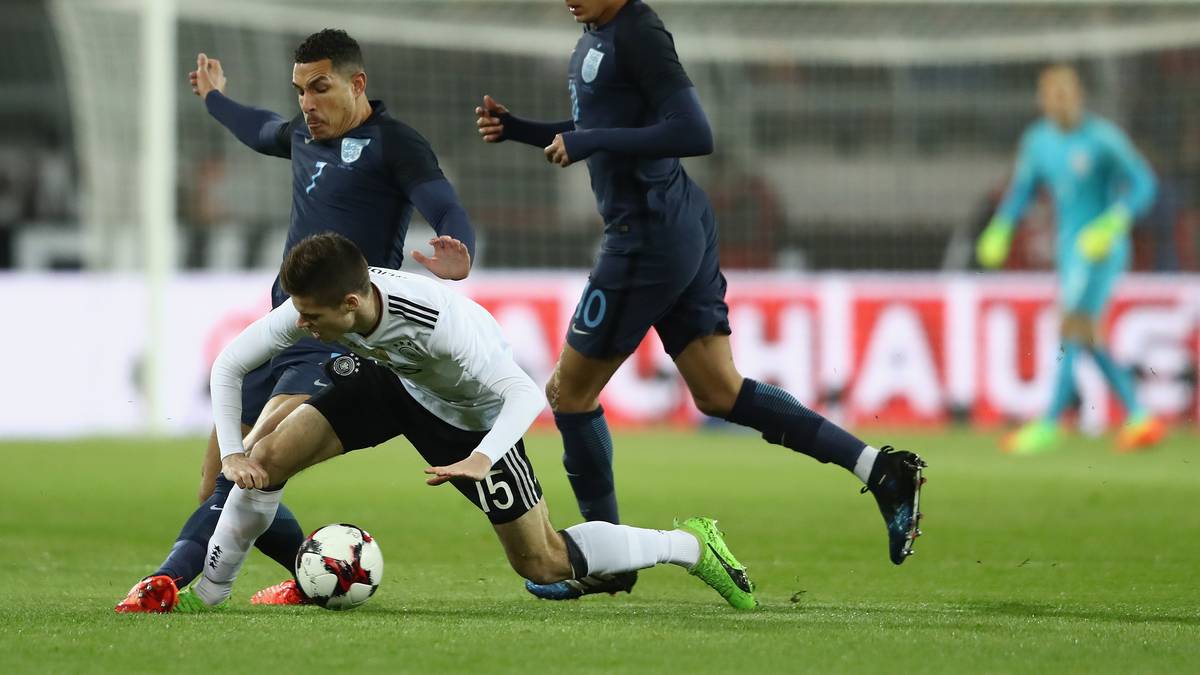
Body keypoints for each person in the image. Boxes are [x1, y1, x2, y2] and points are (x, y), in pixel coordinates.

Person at [475, 0, 925, 601]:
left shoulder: (638, 30)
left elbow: (694, 131)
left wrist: (588, 140)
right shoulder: (596, 35)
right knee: (719, 390)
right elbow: (606, 122)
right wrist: (524, 130)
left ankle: (607, 559)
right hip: (678, 222)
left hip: (646, 237)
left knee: (568, 394)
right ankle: (879, 468)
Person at [170, 232, 757, 612]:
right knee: (268, 457)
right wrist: (232, 454)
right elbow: (229, 364)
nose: (302, 325)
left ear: (351, 304)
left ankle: (689, 544)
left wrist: (483, 456)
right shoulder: (323, 305)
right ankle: (210, 595)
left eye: (312, 316)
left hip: (468, 419)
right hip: (389, 380)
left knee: (543, 560)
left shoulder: (439, 327)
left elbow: (526, 395)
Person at [116, 29, 479, 613]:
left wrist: (457, 243)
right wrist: (214, 97)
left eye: (320, 87)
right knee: (219, 477)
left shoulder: (395, 144)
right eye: (299, 90)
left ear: (356, 84)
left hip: (338, 333)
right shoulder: (303, 135)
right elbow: (259, 130)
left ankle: (167, 580)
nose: (307, 103)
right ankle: (315, 576)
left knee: (254, 459)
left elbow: (441, 199)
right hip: (283, 327)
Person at [975, 64, 1164, 455]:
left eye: (1066, 93)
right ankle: (1139, 416)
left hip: (1100, 248)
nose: (1060, 102)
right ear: (1043, 101)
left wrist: (1114, 221)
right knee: (1087, 335)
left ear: (1078, 96)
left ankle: (1049, 423)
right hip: (1069, 249)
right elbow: (1022, 189)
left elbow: (1144, 182)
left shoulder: (1102, 139)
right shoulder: (1038, 141)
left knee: (1070, 326)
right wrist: (1001, 226)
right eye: (1052, 95)